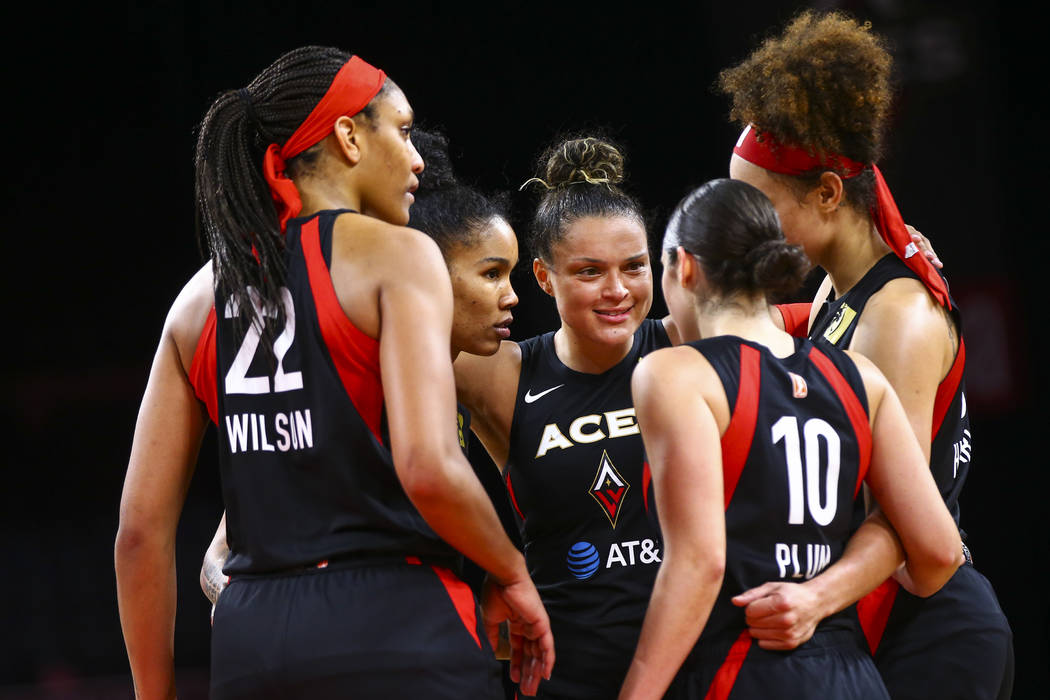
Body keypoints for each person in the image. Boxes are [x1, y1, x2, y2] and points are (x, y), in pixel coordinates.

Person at [114, 46, 552, 700]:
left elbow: (139, 534)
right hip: (396, 623)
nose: (417, 158)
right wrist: (512, 573)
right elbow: (428, 468)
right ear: (348, 135)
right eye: (401, 131)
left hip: (251, 639)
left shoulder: (195, 301)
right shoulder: (397, 257)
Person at [719, 11, 1013, 699]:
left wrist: (815, 600)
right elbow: (771, 331)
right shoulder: (836, 288)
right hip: (883, 619)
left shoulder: (898, 317)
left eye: (757, 205)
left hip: (936, 630)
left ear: (826, 194)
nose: (745, 227)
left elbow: (908, 525)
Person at [618, 177, 963, 700]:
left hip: (741, 670)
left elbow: (699, 564)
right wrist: (819, 595)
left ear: (683, 267)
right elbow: (939, 551)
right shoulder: (861, 377)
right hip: (851, 677)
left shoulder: (672, 374)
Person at [454, 135, 679, 699]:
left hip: (690, 666)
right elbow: (357, 352)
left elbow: (817, 317)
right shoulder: (501, 374)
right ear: (543, 277)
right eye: (589, 272)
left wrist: (881, 260)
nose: (617, 291)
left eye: (634, 267)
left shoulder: (686, 346)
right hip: (563, 676)